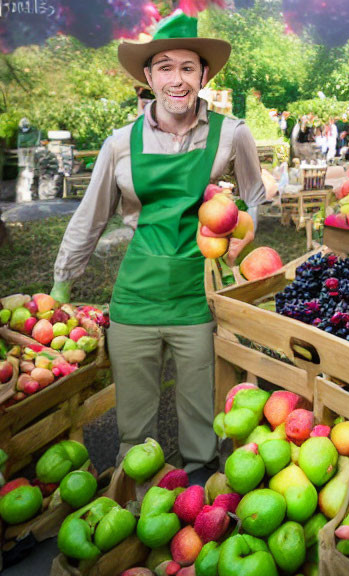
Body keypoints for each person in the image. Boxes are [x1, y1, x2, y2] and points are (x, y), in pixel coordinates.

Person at [51, 12, 267, 473]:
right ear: (148, 76)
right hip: (136, 298)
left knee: (199, 421)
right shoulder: (119, 145)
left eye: (188, 68)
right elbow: (90, 218)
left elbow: (254, 197)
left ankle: (199, 503)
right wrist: (62, 284)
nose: (177, 79)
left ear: (204, 75)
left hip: (197, 297)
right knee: (134, 428)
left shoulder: (232, 134)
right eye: (165, 67)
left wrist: (244, 231)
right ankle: (138, 508)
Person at [16, 117, 41, 203]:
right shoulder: (19, 133)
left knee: (30, 170)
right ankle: (23, 194)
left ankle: (31, 191)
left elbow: (36, 141)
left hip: (32, 152)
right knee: (23, 171)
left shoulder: (34, 132)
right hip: (22, 153)